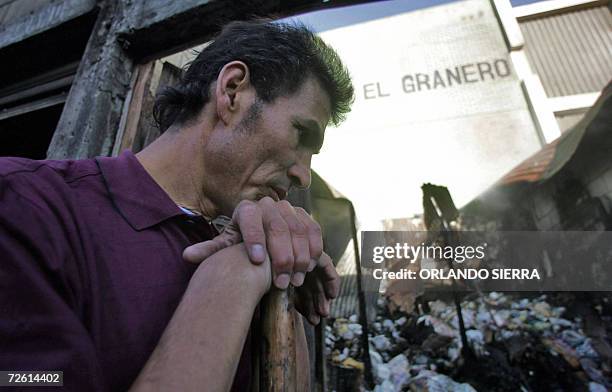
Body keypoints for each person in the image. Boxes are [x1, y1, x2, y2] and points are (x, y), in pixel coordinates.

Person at [0, 19, 354, 391]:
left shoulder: (254, 244)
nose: (304, 176)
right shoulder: (25, 204)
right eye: (301, 134)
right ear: (233, 91)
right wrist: (230, 275)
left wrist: (283, 267)